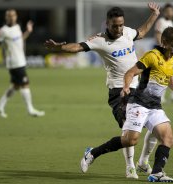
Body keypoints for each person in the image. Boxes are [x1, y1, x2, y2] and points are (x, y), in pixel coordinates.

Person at [44, 3, 160, 179]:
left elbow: (142, 32)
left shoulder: (127, 32)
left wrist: (154, 15)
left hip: (140, 88)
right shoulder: (100, 40)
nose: (119, 28)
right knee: (129, 130)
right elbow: (78, 47)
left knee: (157, 124)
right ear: (107, 24)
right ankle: (130, 167)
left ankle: (143, 162)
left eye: (121, 24)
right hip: (119, 91)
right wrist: (59, 48)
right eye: (115, 25)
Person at [80, 27, 173, 182]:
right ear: (164, 42)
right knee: (130, 140)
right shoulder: (152, 56)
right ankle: (92, 153)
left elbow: (169, 76)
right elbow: (130, 73)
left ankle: (157, 173)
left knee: (168, 139)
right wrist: (125, 87)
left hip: (155, 106)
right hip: (139, 104)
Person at [0, 9, 45, 118]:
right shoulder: (3, 31)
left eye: (13, 15)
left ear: (16, 16)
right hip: (14, 62)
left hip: (21, 60)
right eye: (9, 16)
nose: (11, 17)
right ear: (6, 18)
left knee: (15, 86)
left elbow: (21, 39)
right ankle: (30, 109)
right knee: (25, 84)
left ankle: (0, 105)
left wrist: (28, 31)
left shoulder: (17, 27)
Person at [155, 3, 173, 104]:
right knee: (165, 72)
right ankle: (162, 96)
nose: (170, 13)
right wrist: (162, 49)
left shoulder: (170, 23)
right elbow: (158, 35)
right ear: (164, 12)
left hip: (170, 51)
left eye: (171, 11)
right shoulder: (161, 21)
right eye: (168, 11)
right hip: (164, 51)